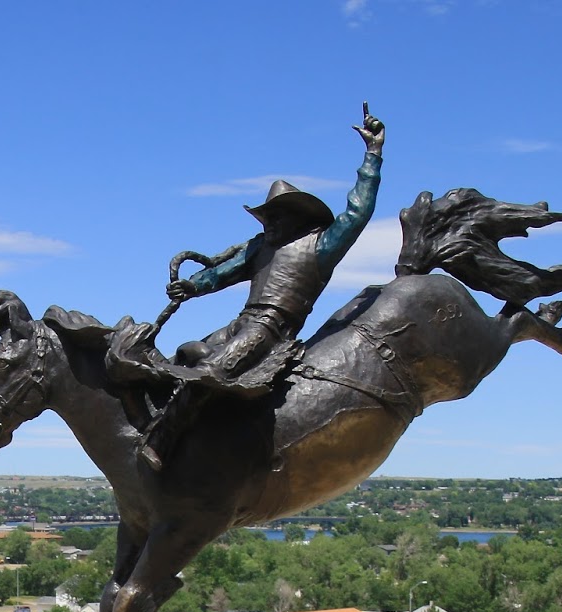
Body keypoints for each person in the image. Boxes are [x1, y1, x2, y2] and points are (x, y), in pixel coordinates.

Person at [134, 105, 386, 471]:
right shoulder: (260, 247)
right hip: (242, 323)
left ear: (297, 216)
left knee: (210, 373)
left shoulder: (319, 246)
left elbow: (357, 213)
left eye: (275, 216)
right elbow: (222, 273)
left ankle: (161, 441)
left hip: (271, 330)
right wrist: (190, 286)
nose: (268, 223)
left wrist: (372, 155)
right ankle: (180, 430)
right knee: (185, 358)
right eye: (265, 217)